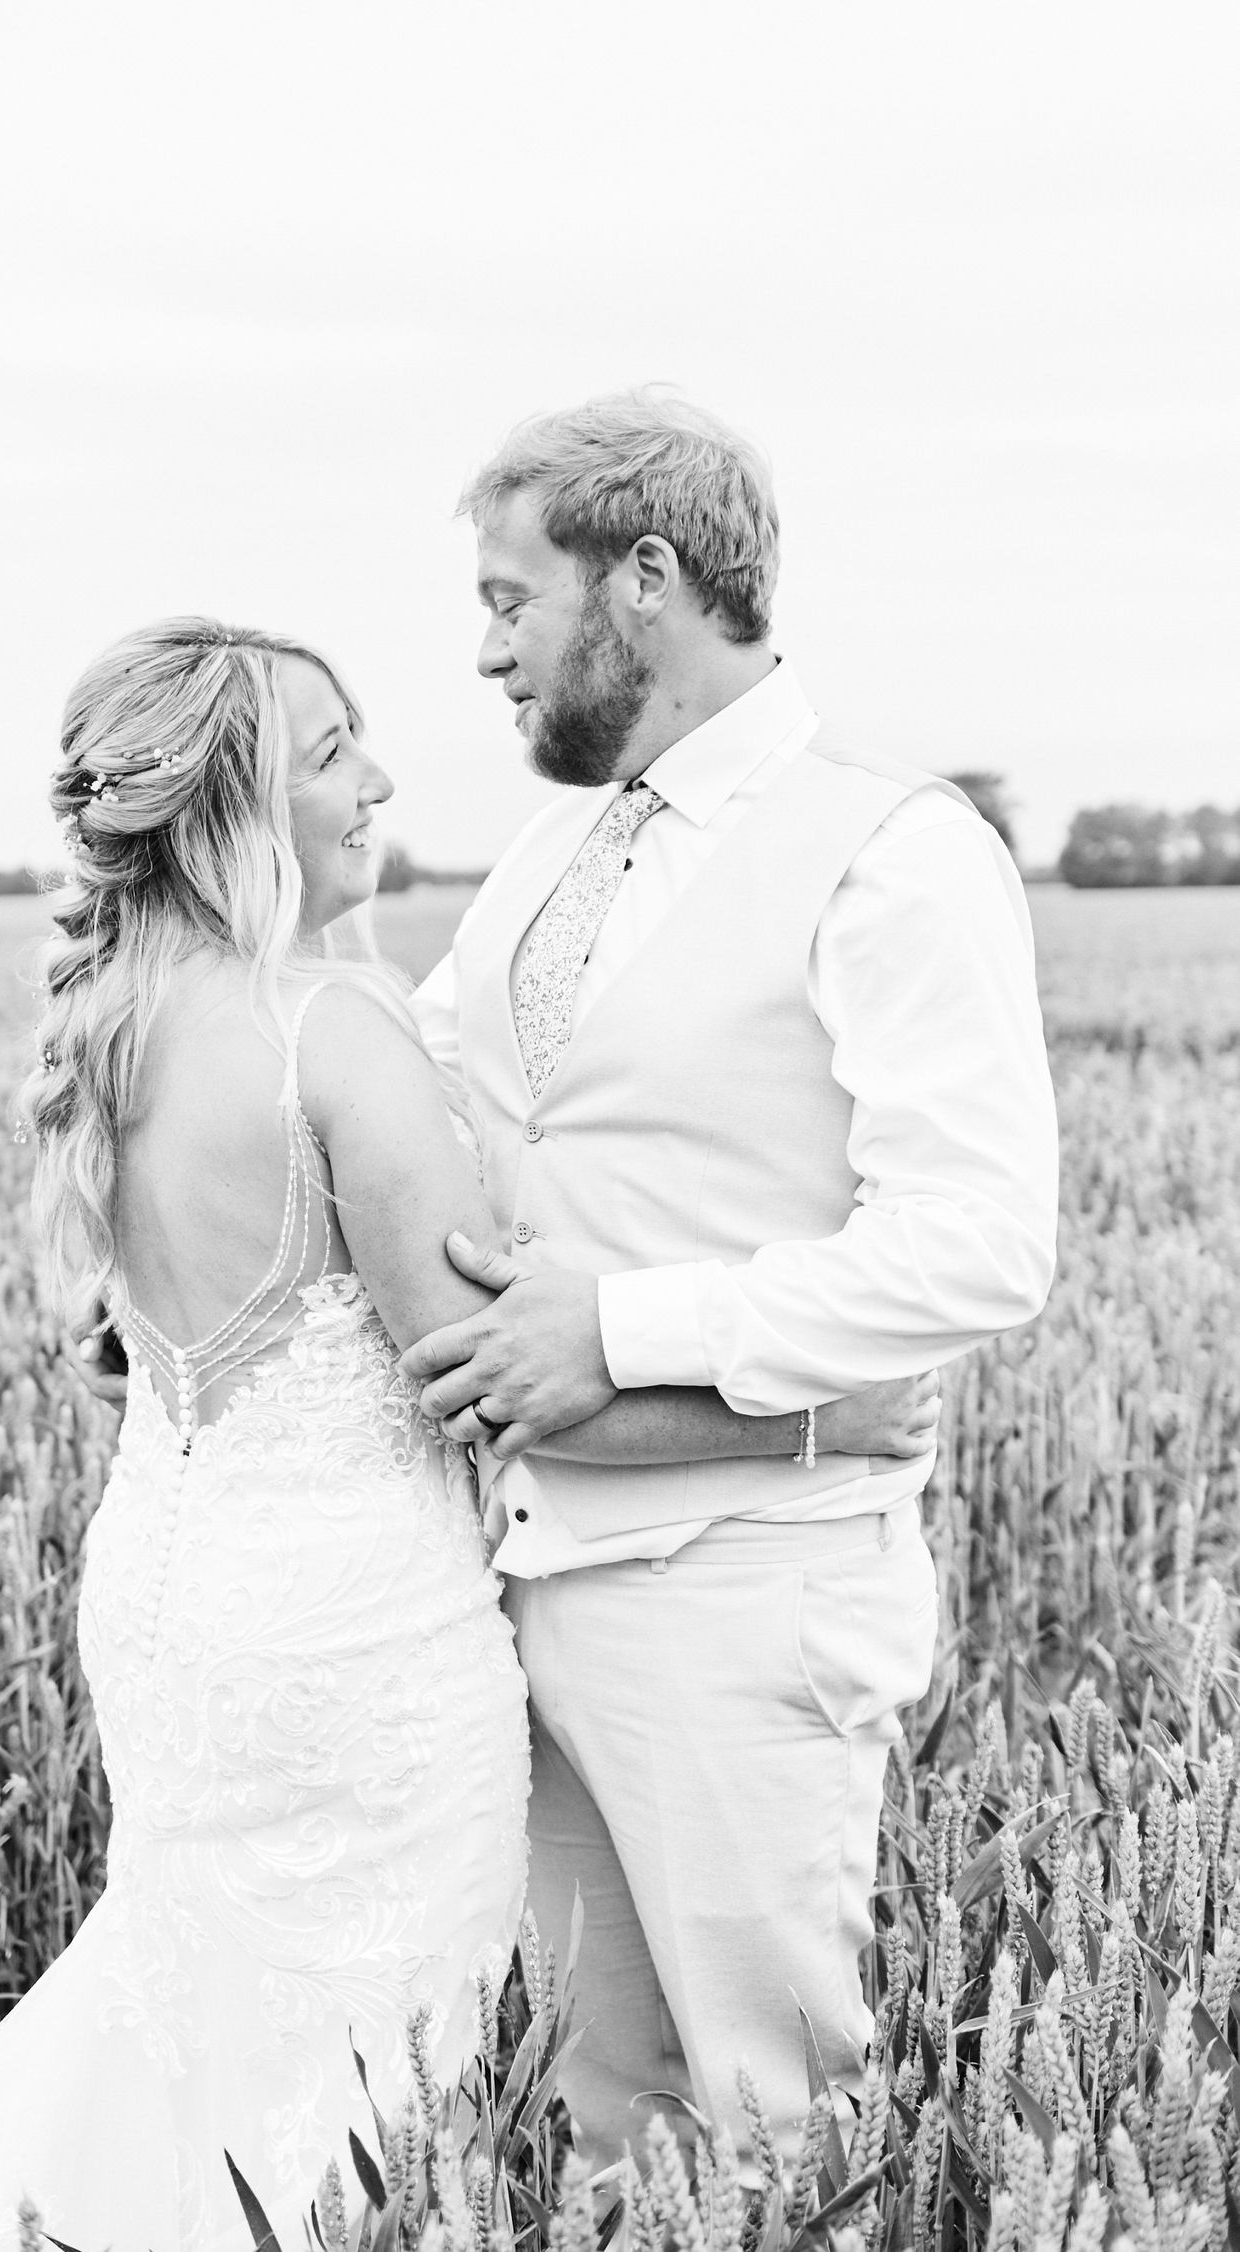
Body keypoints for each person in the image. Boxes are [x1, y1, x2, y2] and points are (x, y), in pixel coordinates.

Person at [0, 620, 938, 2252]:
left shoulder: (112, 1029)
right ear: (236, 802)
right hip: (352, 1647)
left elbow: (150, 1345)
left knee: (190, 2002)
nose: (380, 781)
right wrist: (812, 1423)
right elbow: (487, 1382)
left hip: (176, 1611)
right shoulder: (329, 1034)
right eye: (335, 751)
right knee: (362, 2088)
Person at [400, 390, 1060, 2162]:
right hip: (523, 1575)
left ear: (647, 580)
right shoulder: (546, 852)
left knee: (777, 2127)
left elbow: (980, 1247)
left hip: (748, 1589)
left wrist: (622, 1326)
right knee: (601, 2121)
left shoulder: (898, 854)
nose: (486, 653)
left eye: (506, 599)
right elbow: (421, 1106)